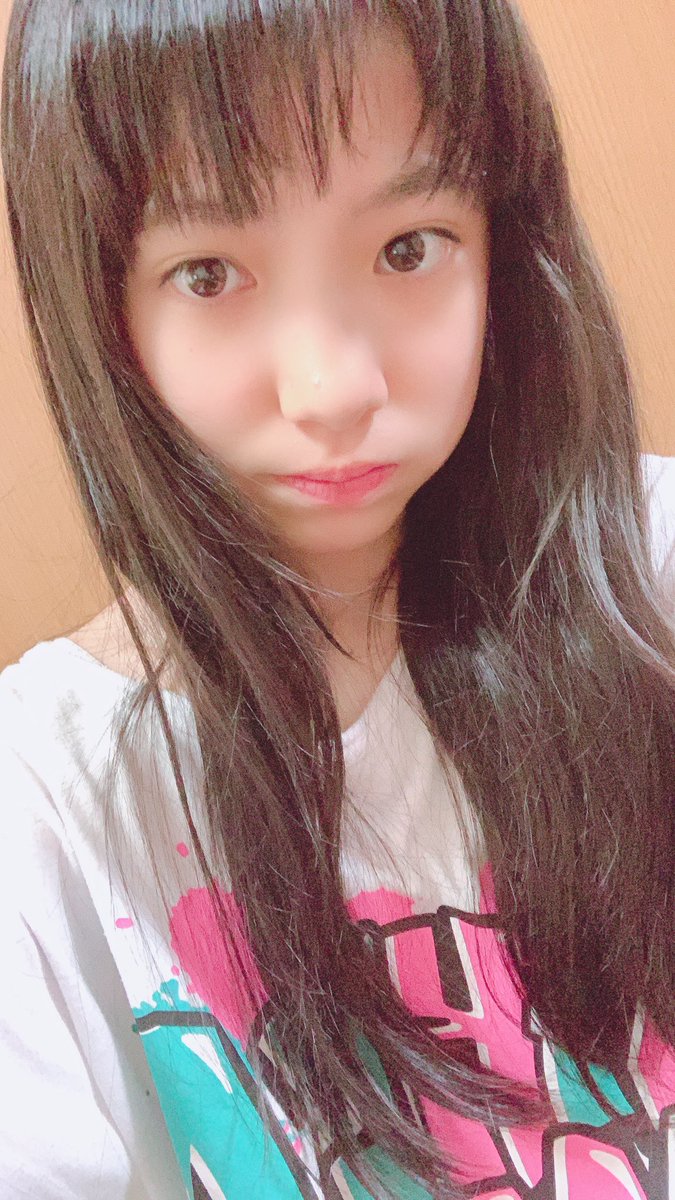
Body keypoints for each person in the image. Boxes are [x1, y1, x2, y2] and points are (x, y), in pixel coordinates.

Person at [0, 1, 673, 1197]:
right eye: (209, 273)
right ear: (103, 308)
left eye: (409, 247)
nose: (332, 389)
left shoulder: (650, 582)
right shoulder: (46, 803)